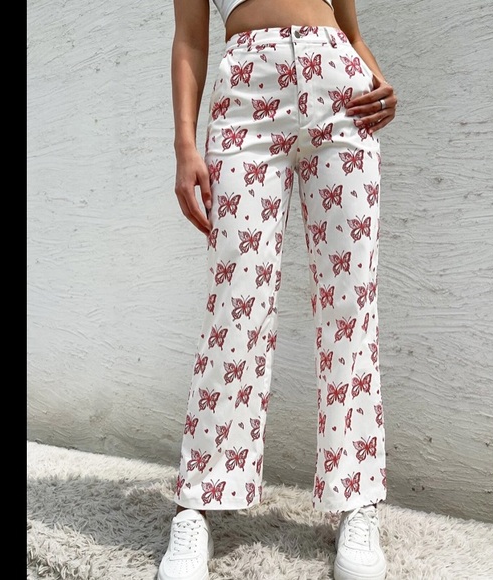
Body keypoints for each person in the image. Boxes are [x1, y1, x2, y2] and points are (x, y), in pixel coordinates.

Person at [158, 1, 397, 579]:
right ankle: (198, 499)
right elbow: (190, 39)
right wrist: (185, 144)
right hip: (246, 98)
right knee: (235, 307)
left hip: (341, 97)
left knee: (350, 304)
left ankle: (357, 498)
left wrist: (378, 79)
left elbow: (350, 30)